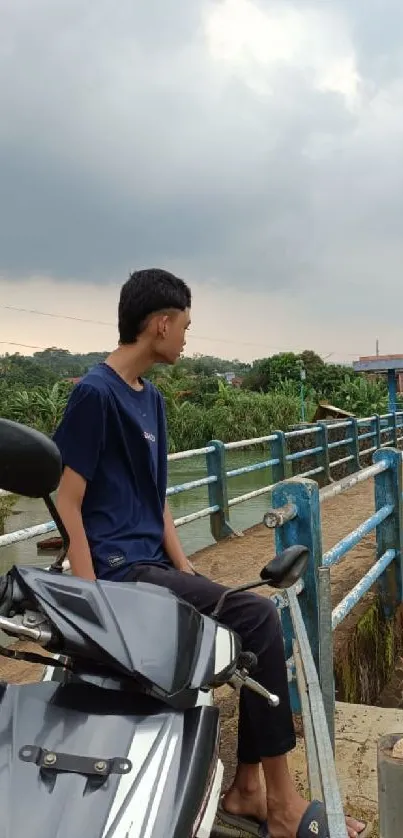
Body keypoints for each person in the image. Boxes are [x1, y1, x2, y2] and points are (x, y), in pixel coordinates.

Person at [54, 268, 369, 838]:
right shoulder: (94, 395)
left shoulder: (150, 400)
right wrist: (89, 597)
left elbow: (158, 498)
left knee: (244, 616)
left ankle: (248, 788)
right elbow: (67, 502)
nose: (186, 338)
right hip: (120, 574)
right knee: (257, 617)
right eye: (185, 327)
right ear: (161, 324)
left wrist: (184, 564)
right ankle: (280, 803)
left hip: (152, 565)